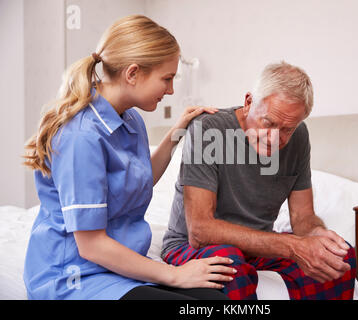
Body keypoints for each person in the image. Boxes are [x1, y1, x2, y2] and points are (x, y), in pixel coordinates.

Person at [22, 15, 235, 300]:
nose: (171, 90)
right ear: (133, 73)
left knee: (217, 299)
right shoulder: (80, 136)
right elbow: (91, 246)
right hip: (74, 276)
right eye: (167, 79)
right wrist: (176, 275)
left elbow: (139, 178)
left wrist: (176, 132)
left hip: (117, 268)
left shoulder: (131, 119)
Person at [161, 62, 356, 300]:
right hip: (193, 246)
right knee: (228, 265)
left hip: (258, 247)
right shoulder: (208, 129)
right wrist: (293, 247)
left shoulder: (299, 137)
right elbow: (200, 230)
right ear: (248, 102)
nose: (276, 137)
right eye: (269, 123)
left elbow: (302, 218)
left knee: (340, 257)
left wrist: (317, 236)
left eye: (287, 129)